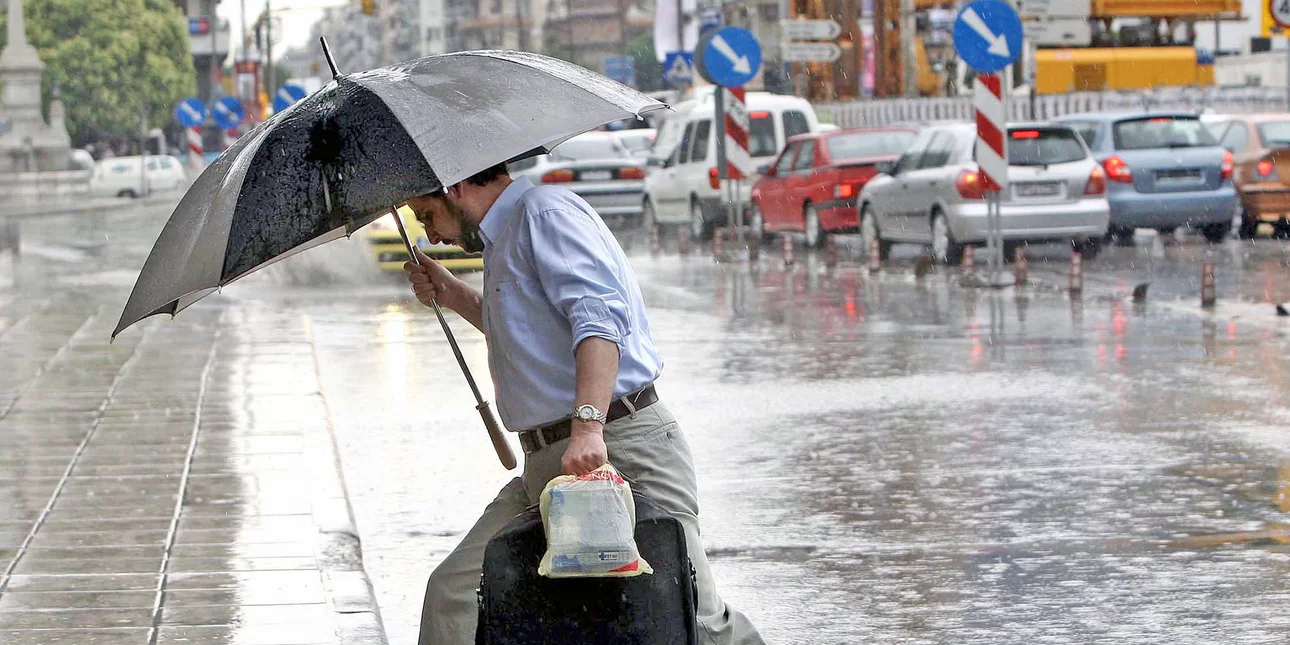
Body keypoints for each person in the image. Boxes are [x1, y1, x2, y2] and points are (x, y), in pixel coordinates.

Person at [402, 162, 766, 645]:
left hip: (620, 446)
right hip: (549, 466)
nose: (429, 234)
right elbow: (531, 339)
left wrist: (588, 426)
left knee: (693, 613)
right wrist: (452, 293)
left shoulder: (545, 216)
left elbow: (598, 323)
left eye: (428, 215)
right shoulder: (505, 237)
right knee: (456, 592)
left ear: (456, 187)